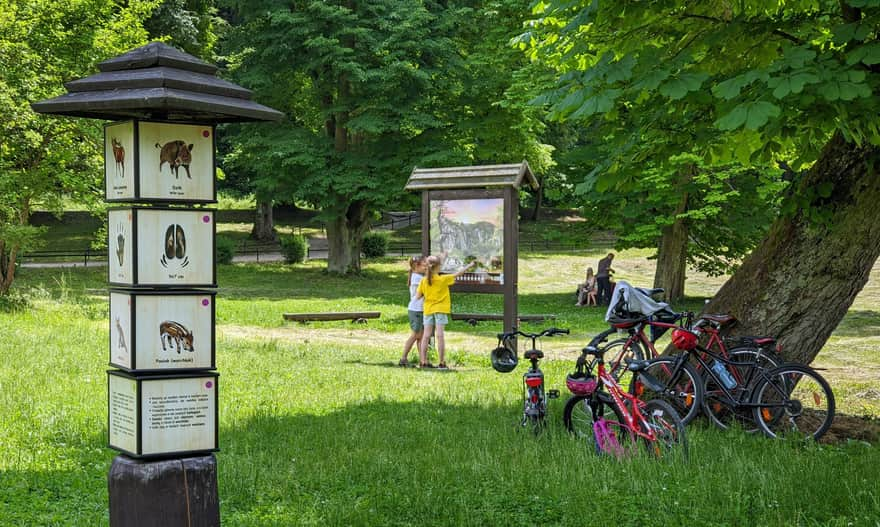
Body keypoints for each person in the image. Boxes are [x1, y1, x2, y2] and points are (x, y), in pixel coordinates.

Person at [415, 255, 476, 370]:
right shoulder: (443, 279)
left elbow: (418, 296)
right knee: (440, 335)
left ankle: (423, 361)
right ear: (437, 267)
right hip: (441, 310)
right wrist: (470, 265)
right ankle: (442, 362)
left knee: (426, 336)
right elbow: (458, 273)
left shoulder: (423, 281)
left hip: (428, 310)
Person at [399, 256, 426, 367]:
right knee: (416, 335)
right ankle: (403, 358)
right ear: (416, 266)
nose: (426, 267)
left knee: (421, 336)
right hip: (416, 310)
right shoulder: (417, 278)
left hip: (420, 310)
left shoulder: (418, 276)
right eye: (424, 264)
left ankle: (423, 360)